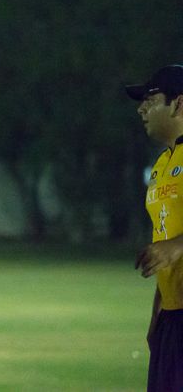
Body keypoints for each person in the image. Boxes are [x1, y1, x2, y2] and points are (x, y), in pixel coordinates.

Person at [129, 64, 183, 391]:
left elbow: (172, 246)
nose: (141, 109)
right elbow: (165, 240)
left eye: (150, 99)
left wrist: (176, 246)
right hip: (172, 320)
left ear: (178, 103)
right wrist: (157, 314)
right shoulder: (163, 164)